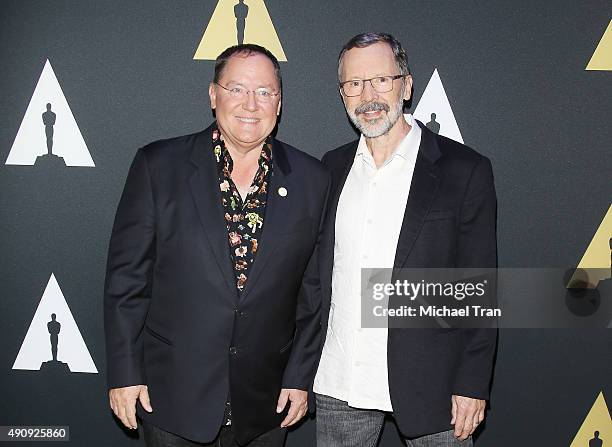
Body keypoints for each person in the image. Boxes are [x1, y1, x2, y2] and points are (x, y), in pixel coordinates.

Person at [104, 43, 329, 447]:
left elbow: (313, 294)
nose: (251, 104)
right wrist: (124, 372)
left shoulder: (312, 180)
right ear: (213, 95)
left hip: (265, 403)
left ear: (279, 103)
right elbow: (126, 283)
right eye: (236, 89)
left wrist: (299, 376)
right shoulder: (159, 166)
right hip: (172, 398)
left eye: (265, 92)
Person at [313, 32, 497, 446]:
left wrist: (472, 382)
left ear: (407, 85)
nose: (368, 95)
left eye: (382, 79)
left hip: (434, 382)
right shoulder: (329, 168)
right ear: (343, 94)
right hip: (341, 380)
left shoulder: (463, 170)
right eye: (354, 83)